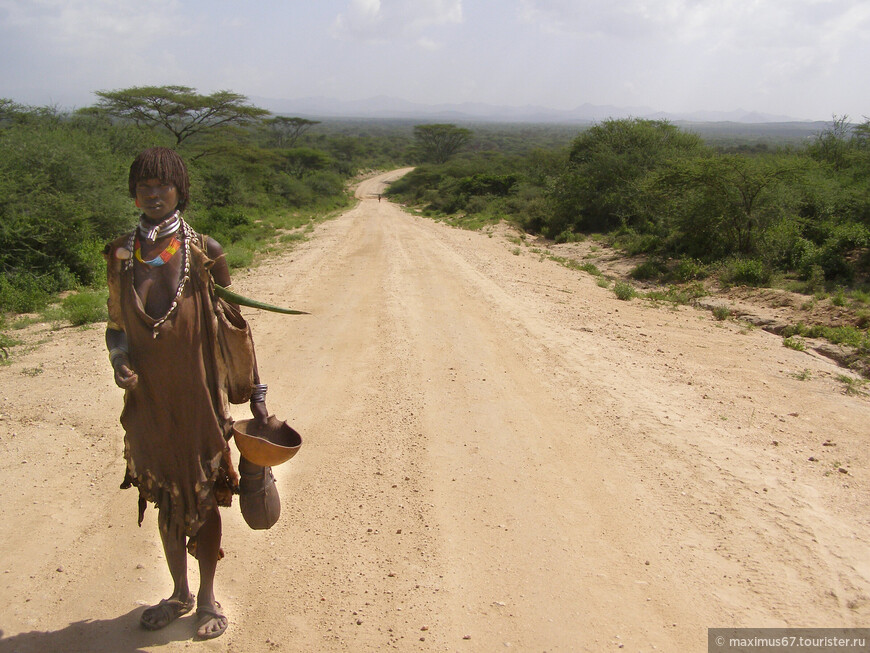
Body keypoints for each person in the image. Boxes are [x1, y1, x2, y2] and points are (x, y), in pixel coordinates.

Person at [104, 147, 268, 640]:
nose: (153, 194)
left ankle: (208, 596)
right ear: (133, 192)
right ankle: (178, 592)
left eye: (163, 186)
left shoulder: (206, 252)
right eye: (144, 186)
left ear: (180, 191)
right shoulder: (119, 254)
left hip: (200, 398)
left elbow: (233, 325)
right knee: (163, 494)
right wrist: (120, 362)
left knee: (202, 494)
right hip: (149, 402)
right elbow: (115, 327)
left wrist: (256, 395)